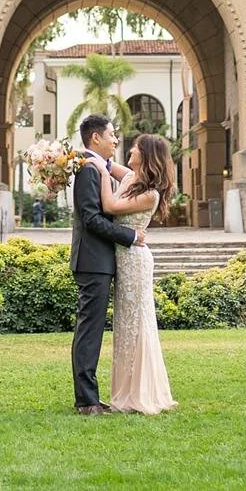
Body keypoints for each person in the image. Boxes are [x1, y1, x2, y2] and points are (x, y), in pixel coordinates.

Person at [69, 114, 143, 415]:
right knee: (90, 330)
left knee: (92, 329)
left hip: (99, 260)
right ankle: (86, 401)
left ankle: (89, 397)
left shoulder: (97, 166)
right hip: (92, 260)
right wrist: (131, 235)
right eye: (112, 134)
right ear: (95, 137)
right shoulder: (88, 169)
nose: (116, 140)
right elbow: (92, 219)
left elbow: (132, 177)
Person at [99, 132, 177, 415]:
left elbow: (110, 207)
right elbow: (106, 164)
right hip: (123, 258)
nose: (129, 149)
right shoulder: (130, 178)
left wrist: (99, 171)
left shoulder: (149, 194)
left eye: (135, 148)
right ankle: (126, 389)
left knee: (136, 322)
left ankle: (138, 394)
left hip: (135, 261)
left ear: (145, 155)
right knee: (125, 323)